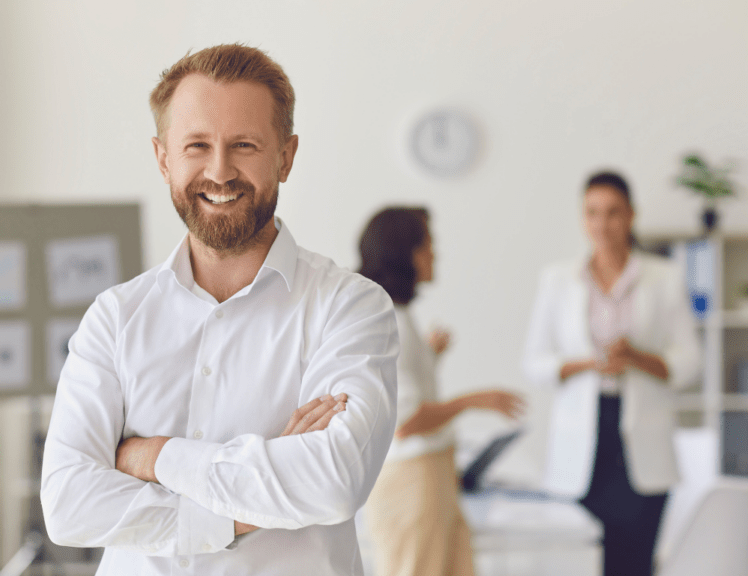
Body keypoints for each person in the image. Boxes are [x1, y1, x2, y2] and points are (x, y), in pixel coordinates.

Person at [39, 44, 399, 576]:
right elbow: (69, 505)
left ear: (286, 156)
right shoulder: (115, 318)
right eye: (197, 145)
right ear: (164, 159)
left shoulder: (350, 308)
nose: (220, 171)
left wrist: (153, 456)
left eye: (245, 145)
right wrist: (244, 511)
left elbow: (332, 480)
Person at [522, 171, 702, 576]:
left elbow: (691, 362)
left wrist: (636, 357)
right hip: (583, 449)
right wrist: (589, 363)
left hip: (641, 452)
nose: (602, 224)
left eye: (613, 213)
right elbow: (535, 361)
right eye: (592, 213)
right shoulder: (558, 280)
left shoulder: (664, 278)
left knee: (634, 566)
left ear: (631, 216)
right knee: (580, 564)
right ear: (583, 219)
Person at [358, 207, 525, 576]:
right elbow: (407, 421)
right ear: (404, 254)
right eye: (427, 246)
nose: (434, 255)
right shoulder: (390, 320)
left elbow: (402, 395)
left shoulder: (396, 315)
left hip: (429, 478)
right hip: (412, 481)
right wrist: (476, 401)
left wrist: (429, 357)